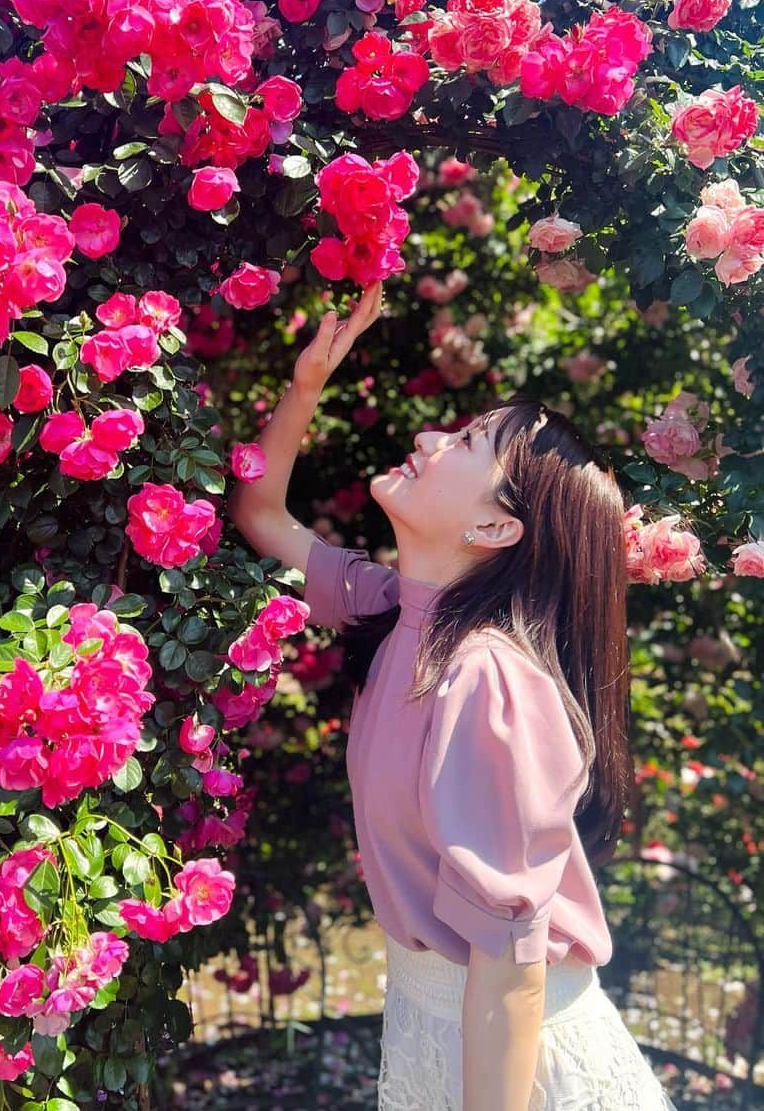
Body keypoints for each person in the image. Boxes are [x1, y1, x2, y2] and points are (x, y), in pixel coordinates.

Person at [228, 281, 678, 1111]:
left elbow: (511, 967)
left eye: (468, 441)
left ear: (497, 528)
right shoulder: (395, 606)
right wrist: (306, 384)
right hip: (438, 1023)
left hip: (516, 1058)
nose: (432, 435)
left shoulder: (488, 676)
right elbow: (261, 513)